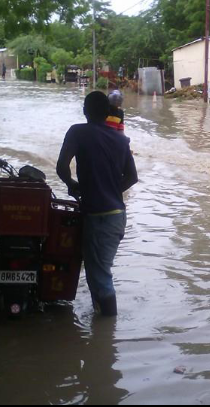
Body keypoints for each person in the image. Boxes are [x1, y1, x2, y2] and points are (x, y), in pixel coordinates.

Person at [56, 91, 138, 317]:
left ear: (85, 111)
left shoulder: (78, 132)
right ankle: (99, 322)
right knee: (96, 272)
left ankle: (107, 334)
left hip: (98, 216)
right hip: (117, 216)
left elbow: (62, 166)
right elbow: (132, 177)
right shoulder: (121, 140)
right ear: (109, 112)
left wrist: (72, 184)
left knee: (100, 276)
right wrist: (109, 189)